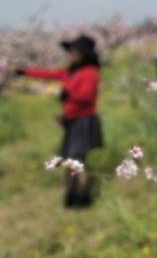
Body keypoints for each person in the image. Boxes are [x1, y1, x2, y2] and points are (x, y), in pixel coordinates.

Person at [16, 35, 103, 208]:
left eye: (75, 51)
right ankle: (74, 196)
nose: (71, 54)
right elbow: (49, 74)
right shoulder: (72, 71)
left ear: (84, 54)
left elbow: (86, 96)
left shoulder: (90, 72)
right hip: (72, 121)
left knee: (76, 160)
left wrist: (67, 92)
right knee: (71, 161)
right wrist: (25, 72)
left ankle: (82, 197)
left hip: (83, 122)